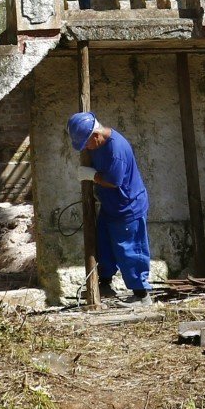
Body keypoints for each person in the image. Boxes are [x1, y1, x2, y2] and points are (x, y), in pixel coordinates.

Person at [69, 111, 151, 302]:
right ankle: (104, 285)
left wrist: (90, 175)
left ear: (96, 135)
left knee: (130, 250)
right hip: (110, 205)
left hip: (128, 207)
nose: (86, 149)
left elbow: (114, 181)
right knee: (103, 245)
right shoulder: (97, 142)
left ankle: (142, 295)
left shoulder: (116, 150)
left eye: (86, 144)